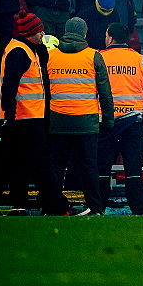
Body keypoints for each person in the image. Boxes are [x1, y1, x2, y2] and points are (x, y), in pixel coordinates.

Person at [0, 11, 68, 216]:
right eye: (39, 31)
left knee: (14, 164)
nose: (42, 34)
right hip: (25, 118)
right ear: (29, 33)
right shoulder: (21, 52)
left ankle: (18, 204)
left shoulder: (26, 49)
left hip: (25, 118)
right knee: (43, 164)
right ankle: (56, 205)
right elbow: (9, 87)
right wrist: (9, 114)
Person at [47, 17, 115, 216]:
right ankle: (95, 207)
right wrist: (109, 121)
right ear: (85, 33)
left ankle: (52, 207)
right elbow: (105, 93)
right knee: (89, 167)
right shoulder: (93, 56)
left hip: (58, 120)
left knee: (57, 166)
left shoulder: (51, 56)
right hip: (86, 122)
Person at [99, 22, 143, 215]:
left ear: (110, 37)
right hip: (133, 122)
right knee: (134, 170)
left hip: (105, 122)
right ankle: (138, 209)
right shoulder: (141, 61)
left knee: (102, 169)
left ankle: (97, 207)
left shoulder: (98, 59)